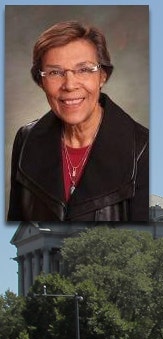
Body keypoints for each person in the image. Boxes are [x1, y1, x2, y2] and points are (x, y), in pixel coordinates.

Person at [8, 21, 149, 221]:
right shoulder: (26, 139)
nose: (70, 85)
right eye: (55, 72)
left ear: (102, 76)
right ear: (41, 82)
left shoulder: (143, 149)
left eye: (84, 70)